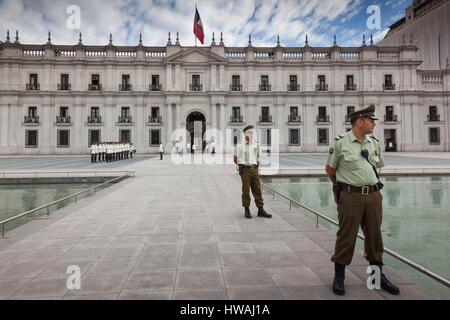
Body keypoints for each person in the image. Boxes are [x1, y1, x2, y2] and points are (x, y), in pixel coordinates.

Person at [325, 104, 400, 296]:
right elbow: (330, 170)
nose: (374, 124)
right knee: (346, 236)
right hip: (350, 196)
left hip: (374, 196)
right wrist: (343, 190)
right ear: (360, 122)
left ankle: (376, 278)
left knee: (375, 238)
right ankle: (339, 276)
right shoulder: (340, 143)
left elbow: (378, 166)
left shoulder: (373, 142)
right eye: (371, 120)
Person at [234, 125, 271, 219]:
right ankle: (247, 209)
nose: (251, 134)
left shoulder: (256, 145)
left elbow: (258, 157)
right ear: (245, 134)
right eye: (249, 132)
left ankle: (260, 209)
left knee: (257, 189)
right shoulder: (240, 145)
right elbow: (235, 158)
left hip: (254, 169)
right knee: (246, 190)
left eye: (252, 132)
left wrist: (257, 167)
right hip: (245, 170)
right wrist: (241, 165)